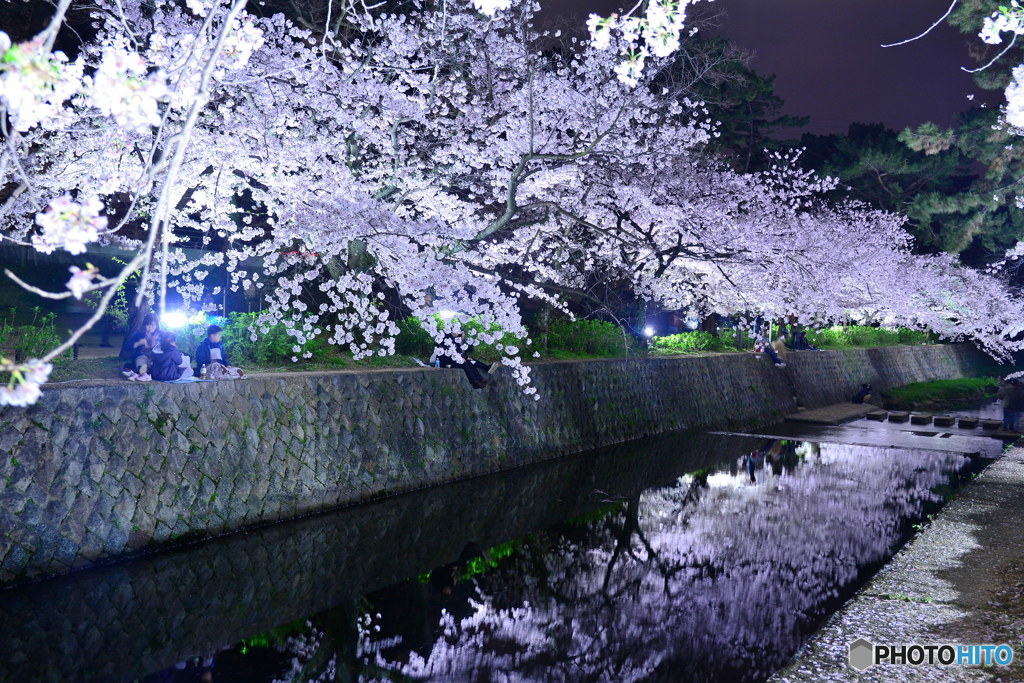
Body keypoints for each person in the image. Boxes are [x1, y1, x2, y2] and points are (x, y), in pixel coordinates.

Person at [433, 330, 498, 388]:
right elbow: (449, 352)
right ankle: (474, 382)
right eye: (459, 331)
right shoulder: (446, 338)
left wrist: (466, 357)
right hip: (445, 361)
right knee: (465, 363)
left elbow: (461, 351)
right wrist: (462, 358)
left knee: (471, 361)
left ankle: (480, 378)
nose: (460, 333)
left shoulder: (457, 339)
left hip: (455, 359)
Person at [122, 313, 160, 378]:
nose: (150, 327)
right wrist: (138, 344)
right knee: (141, 359)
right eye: (147, 324)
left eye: (152, 325)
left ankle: (145, 372)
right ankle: (142, 371)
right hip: (142, 359)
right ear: (145, 325)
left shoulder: (162, 335)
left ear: (156, 325)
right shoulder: (140, 335)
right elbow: (126, 347)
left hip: (157, 359)